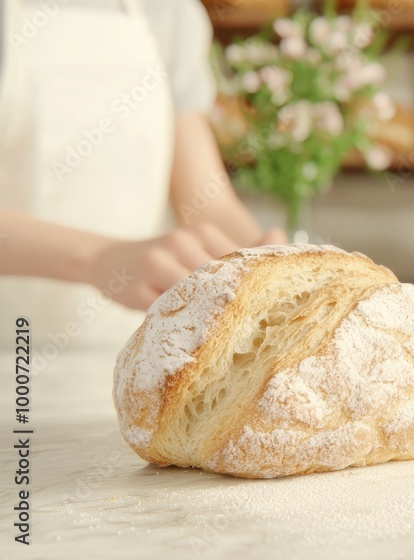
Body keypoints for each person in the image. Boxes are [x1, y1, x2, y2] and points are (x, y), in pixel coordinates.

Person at [0, 0, 285, 350]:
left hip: (135, 343)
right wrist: (98, 259)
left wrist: (269, 265)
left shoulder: (167, 10)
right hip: (13, 346)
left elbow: (205, 201)